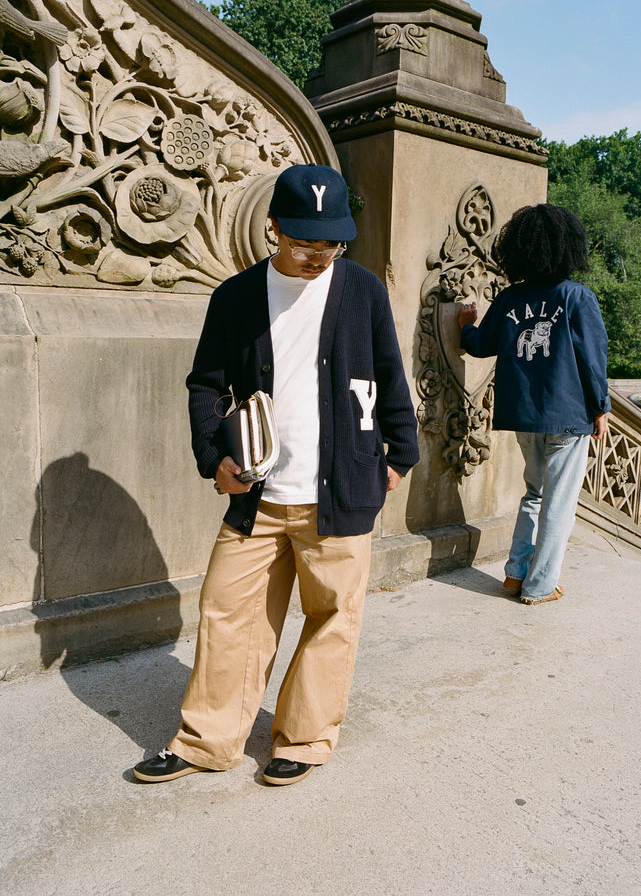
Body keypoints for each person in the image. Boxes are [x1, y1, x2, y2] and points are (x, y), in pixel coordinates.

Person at [133, 164, 419, 786]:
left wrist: (400, 456)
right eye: (304, 243)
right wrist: (215, 459)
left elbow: (391, 376)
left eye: (331, 244)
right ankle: (206, 741)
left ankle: (305, 737)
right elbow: (205, 385)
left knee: (332, 618)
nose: (319, 256)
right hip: (259, 496)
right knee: (226, 612)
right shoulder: (234, 297)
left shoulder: (362, 290)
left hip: (339, 490)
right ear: (273, 230)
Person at [458, 203, 609, 605]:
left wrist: (466, 324)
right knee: (559, 503)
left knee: (534, 494)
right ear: (568, 247)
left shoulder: (509, 299)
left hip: (524, 415)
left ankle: (515, 574)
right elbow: (592, 361)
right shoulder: (577, 297)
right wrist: (601, 407)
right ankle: (540, 586)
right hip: (568, 417)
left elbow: (479, 345)